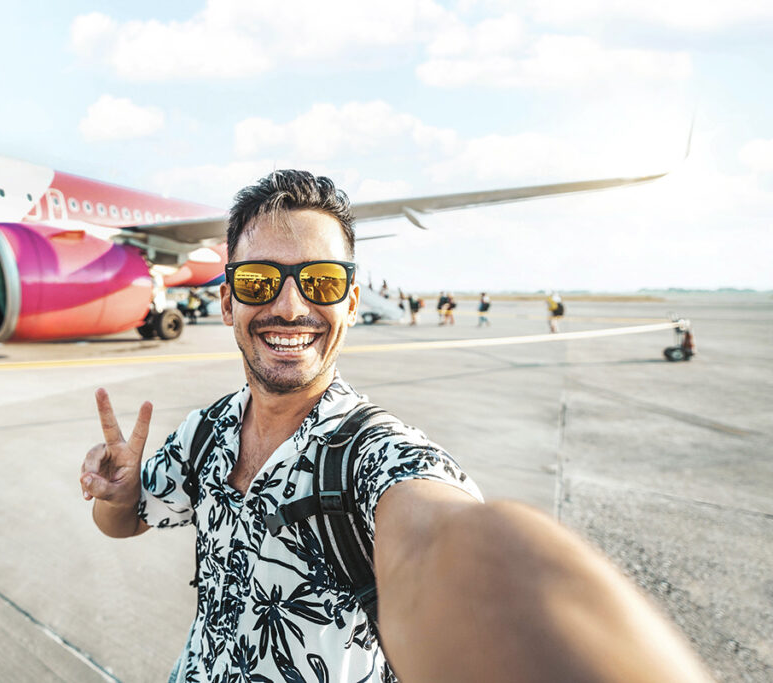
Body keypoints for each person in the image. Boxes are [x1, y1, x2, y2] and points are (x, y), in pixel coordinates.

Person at [80, 170, 712, 683]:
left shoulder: (375, 457)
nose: (290, 305)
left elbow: (448, 540)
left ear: (351, 303)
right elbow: (125, 522)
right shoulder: (206, 431)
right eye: (259, 280)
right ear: (227, 301)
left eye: (322, 281)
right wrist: (119, 494)